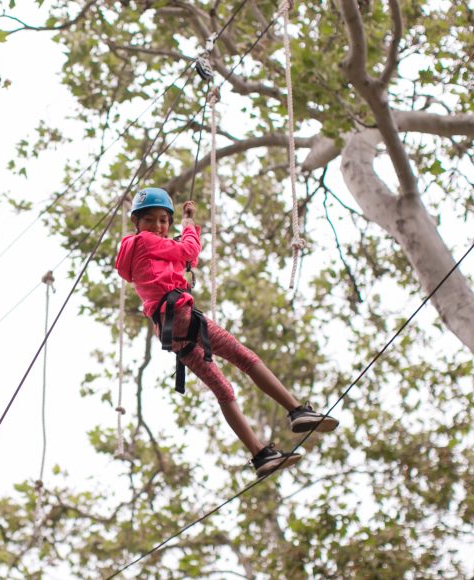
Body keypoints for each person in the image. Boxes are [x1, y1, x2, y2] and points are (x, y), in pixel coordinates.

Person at [114, 187, 339, 476]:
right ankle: (297, 411)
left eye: (163, 221)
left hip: (169, 330)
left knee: (223, 390)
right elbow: (190, 252)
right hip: (181, 316)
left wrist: (185, 233)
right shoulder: (144, 242)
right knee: (245, 358)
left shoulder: (143, 250)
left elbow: (187, 261)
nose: (158, 228)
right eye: (150, 221)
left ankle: (260, 455)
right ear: (137, 224)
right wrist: (190, 226)